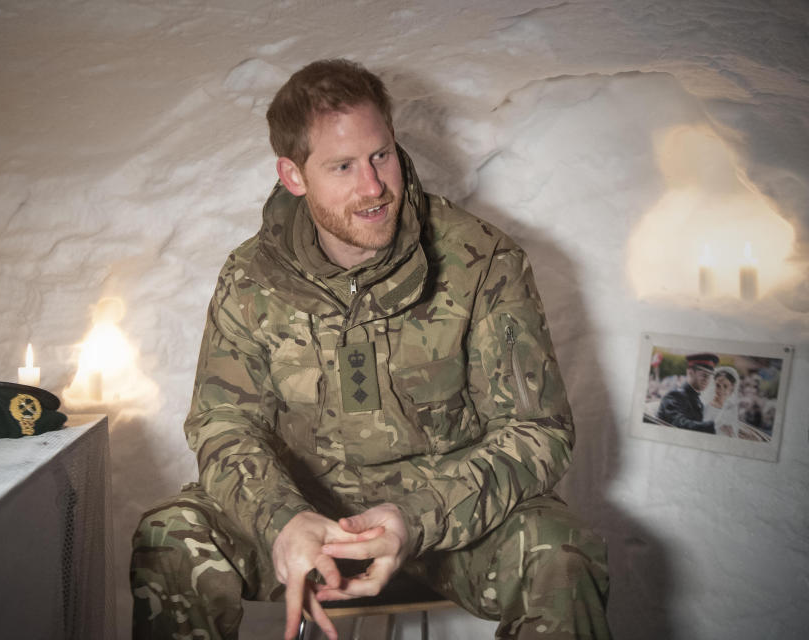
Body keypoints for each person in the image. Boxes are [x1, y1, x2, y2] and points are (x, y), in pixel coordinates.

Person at [131, 59, 611, 640]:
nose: (373, 187)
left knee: (561, 555)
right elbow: (222, 425)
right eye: (342, 166)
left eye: (381, 155)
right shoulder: (250, 278)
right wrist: (282, 520)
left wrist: (417, 516)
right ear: (293, 176)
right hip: (304, 524)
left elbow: (538, 430)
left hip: (446, 527)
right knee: (171, 537)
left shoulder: (482, 260)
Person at [656, 353, 718, 433]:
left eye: (709, 376)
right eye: (703, 375)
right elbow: (679, 424)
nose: (707, 380)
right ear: (690, 373)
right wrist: (715, 426)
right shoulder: (675, 396)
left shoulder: (696, 399)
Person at [702, 365, 741, 437]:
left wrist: (730, 430)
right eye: (718, 385)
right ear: (713, 384)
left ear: (731, 390)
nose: (721, 390)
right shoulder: (706, 406)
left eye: (725, 386)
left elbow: (734, 433)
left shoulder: (731, 408)